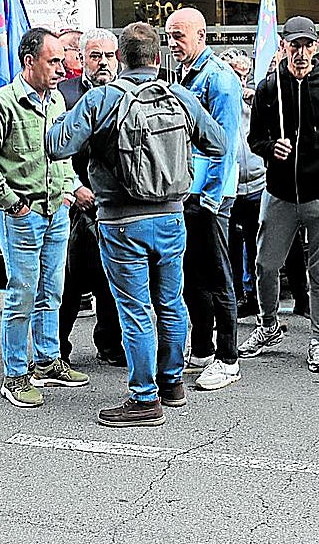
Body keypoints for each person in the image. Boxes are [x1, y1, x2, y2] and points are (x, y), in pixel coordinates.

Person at [47, 22, 228, 426]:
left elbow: (57, 145)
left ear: (121, 58)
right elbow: (218, 143)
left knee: (135, 310)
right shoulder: (177, 95)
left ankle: (145, 399)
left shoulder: (103, 98)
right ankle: (172, 383)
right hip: (172, 216)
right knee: (170, 302)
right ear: (158, 58)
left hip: (121, 220)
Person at [0, 27, 88, 408]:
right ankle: (15, 375)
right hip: (21, 215)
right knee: (22, 295)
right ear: (29, 62)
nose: (61, 68)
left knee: (52, 292)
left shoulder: (56, 102)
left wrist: (68, 190)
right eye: (53, 61)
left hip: (56, 211)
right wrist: (13, 203)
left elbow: (63, 155)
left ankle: (48, 361)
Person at [240, 16, 319, 372]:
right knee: (265, 264)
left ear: (316, 46)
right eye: (295, 44)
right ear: (284, 46)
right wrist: (270, 147)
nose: (301, 52)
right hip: (279, 194)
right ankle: (269, 324)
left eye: (307, 45)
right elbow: (253, 137)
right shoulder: (268, 87)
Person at [165, 7, 242, 391]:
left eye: (179, 35)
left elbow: (224, 144)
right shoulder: (190, 74)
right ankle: (202, 348)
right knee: (194, 275)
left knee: (217, 275)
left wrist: (210, 197)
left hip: (210, 195)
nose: (172, 42)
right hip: (190, 193)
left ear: (202, 35)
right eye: (169, 35)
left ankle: (228, 358)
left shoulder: (219, 79)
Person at [56, 28, 124, 366]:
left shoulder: (128, 94)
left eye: (109, 55)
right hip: (73, 204)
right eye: (95, 56)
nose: (103, 62)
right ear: (82, 59)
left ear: (119, 58)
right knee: (67, 284)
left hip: (115, 205)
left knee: (112, 281)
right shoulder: (65, 95)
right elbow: (52, 148)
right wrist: (74, 187)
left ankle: (110, 344)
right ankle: (57, 350)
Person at [220, 48, 265, 320]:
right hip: (229, 187)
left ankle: (256, 297)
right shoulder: (217, 101)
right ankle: (234, 296)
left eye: (245, 74)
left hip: (257, 183)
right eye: (236, 74)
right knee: (231, 248)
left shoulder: (254, 101)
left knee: (257, 246)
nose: (242, 80)